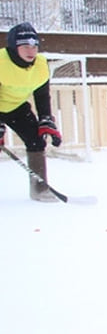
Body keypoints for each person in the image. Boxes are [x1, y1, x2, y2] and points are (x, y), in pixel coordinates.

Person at [0, 23, 62, 202]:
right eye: (25, 46)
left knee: (36, 140)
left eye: (35, 46)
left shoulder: (41, 65)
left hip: (16, 107)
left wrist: (46, 120)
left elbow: (42, 96)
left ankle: (40, 189)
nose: (31, 51)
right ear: (14, 47)